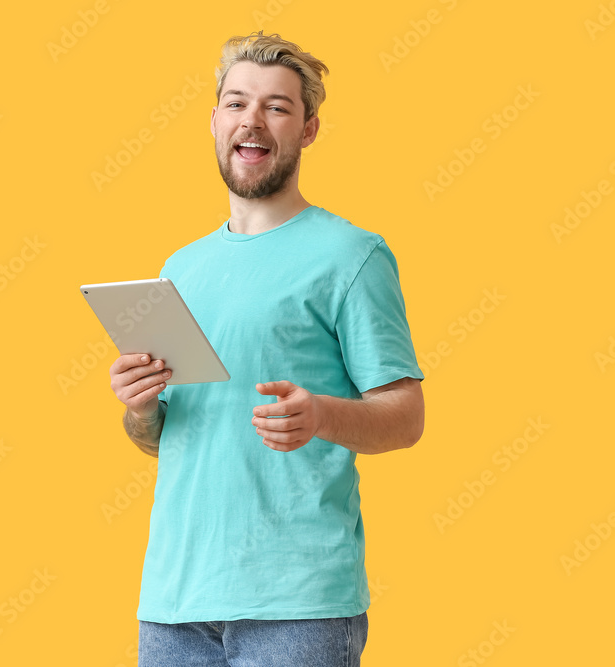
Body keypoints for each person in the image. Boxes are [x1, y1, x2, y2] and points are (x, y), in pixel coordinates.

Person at [108, 31, 425, 667]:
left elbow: (407, 417)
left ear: (308, 129)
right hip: (175, 601)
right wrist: (140, 410)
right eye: (236, 102)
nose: (252, 120)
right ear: (215, 119)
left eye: (276, 107)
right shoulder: (182, 267)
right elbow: (163, 435)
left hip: (297, 603)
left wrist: (322, 416)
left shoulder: (352, 255)